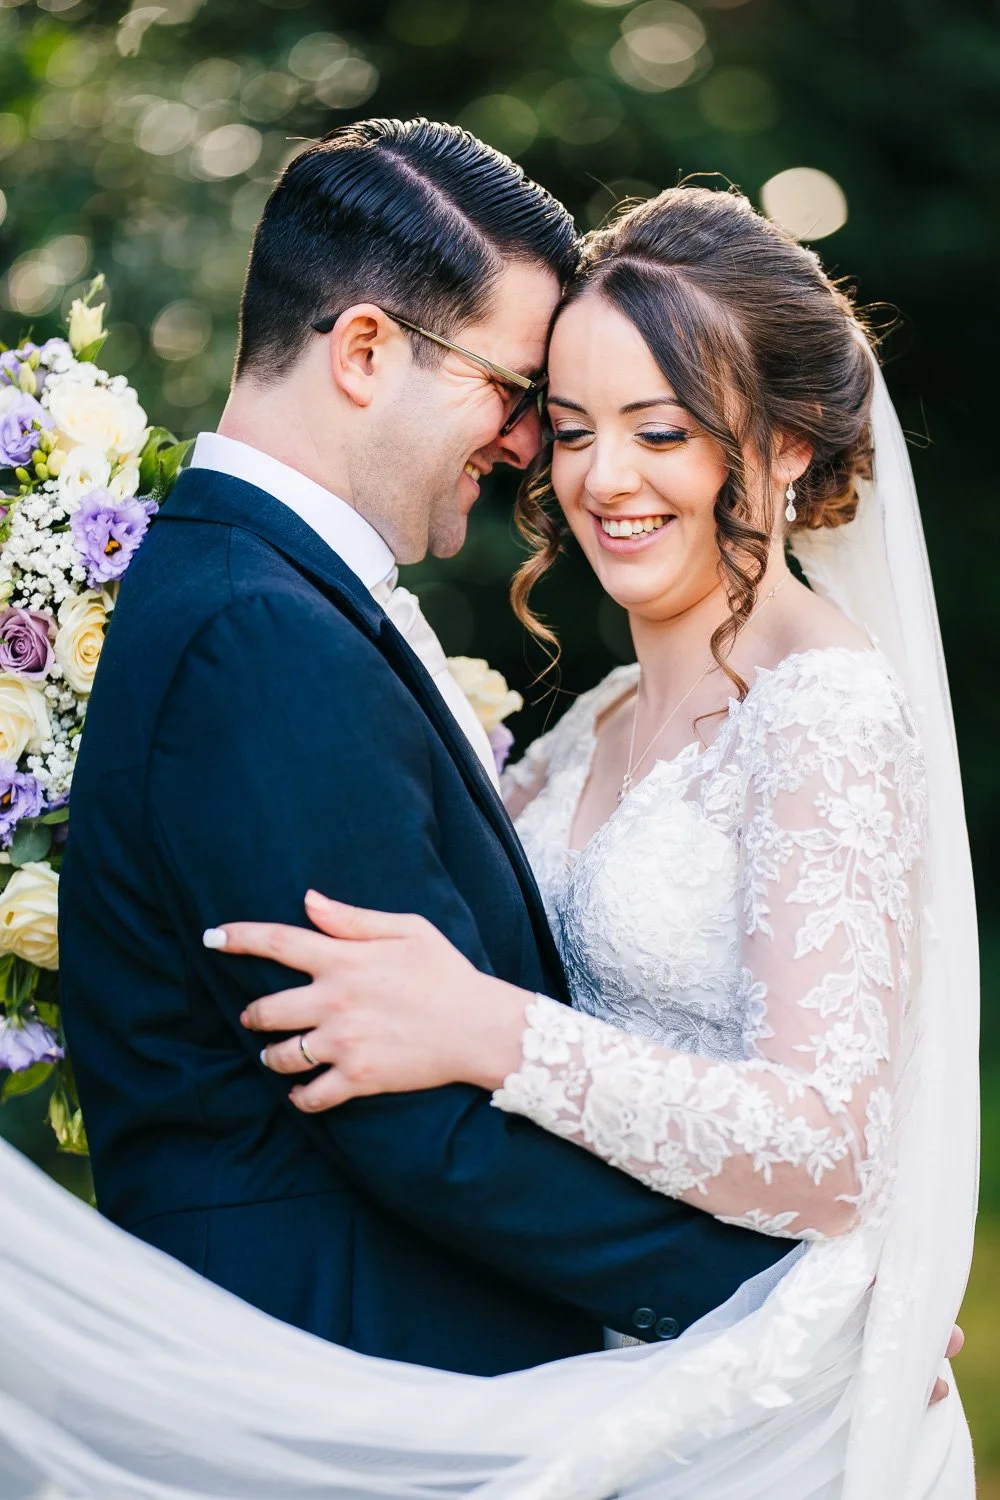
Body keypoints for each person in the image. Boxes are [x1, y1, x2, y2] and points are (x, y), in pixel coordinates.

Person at [216, 186, 979, 1495]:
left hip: (767, 1431)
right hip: (596, 1362)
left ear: (787, 445)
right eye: (571, 430)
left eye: (660, 431)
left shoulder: (824, 711)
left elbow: (825, 1149)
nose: (603, 479)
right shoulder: (598, 718)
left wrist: (494, 1033)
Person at [57, 121, 788, 1381]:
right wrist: (778, 1309)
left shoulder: (256, 590)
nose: (528, 449)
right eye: (514, 391)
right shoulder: (259, 634)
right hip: (345, 1376)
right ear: (363, 351)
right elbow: (413, 1117)